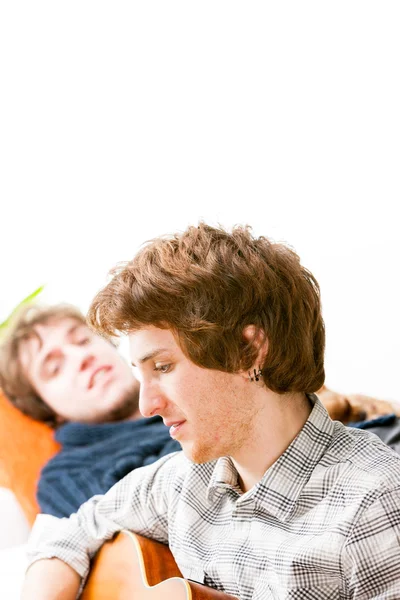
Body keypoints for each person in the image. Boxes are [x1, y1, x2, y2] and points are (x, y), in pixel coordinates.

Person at [20, 224, 400, 599]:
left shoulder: (375, 505)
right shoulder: (181, 482)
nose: (146, 404)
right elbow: (67, 533)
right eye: (142, 372)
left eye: (163, 368)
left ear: (249, 352)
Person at [0, 304, 180, 518]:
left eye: (83, 340)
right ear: (46, 409)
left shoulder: (191, 391)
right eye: (55, 368)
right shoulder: (64, 478)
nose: (81, 357)